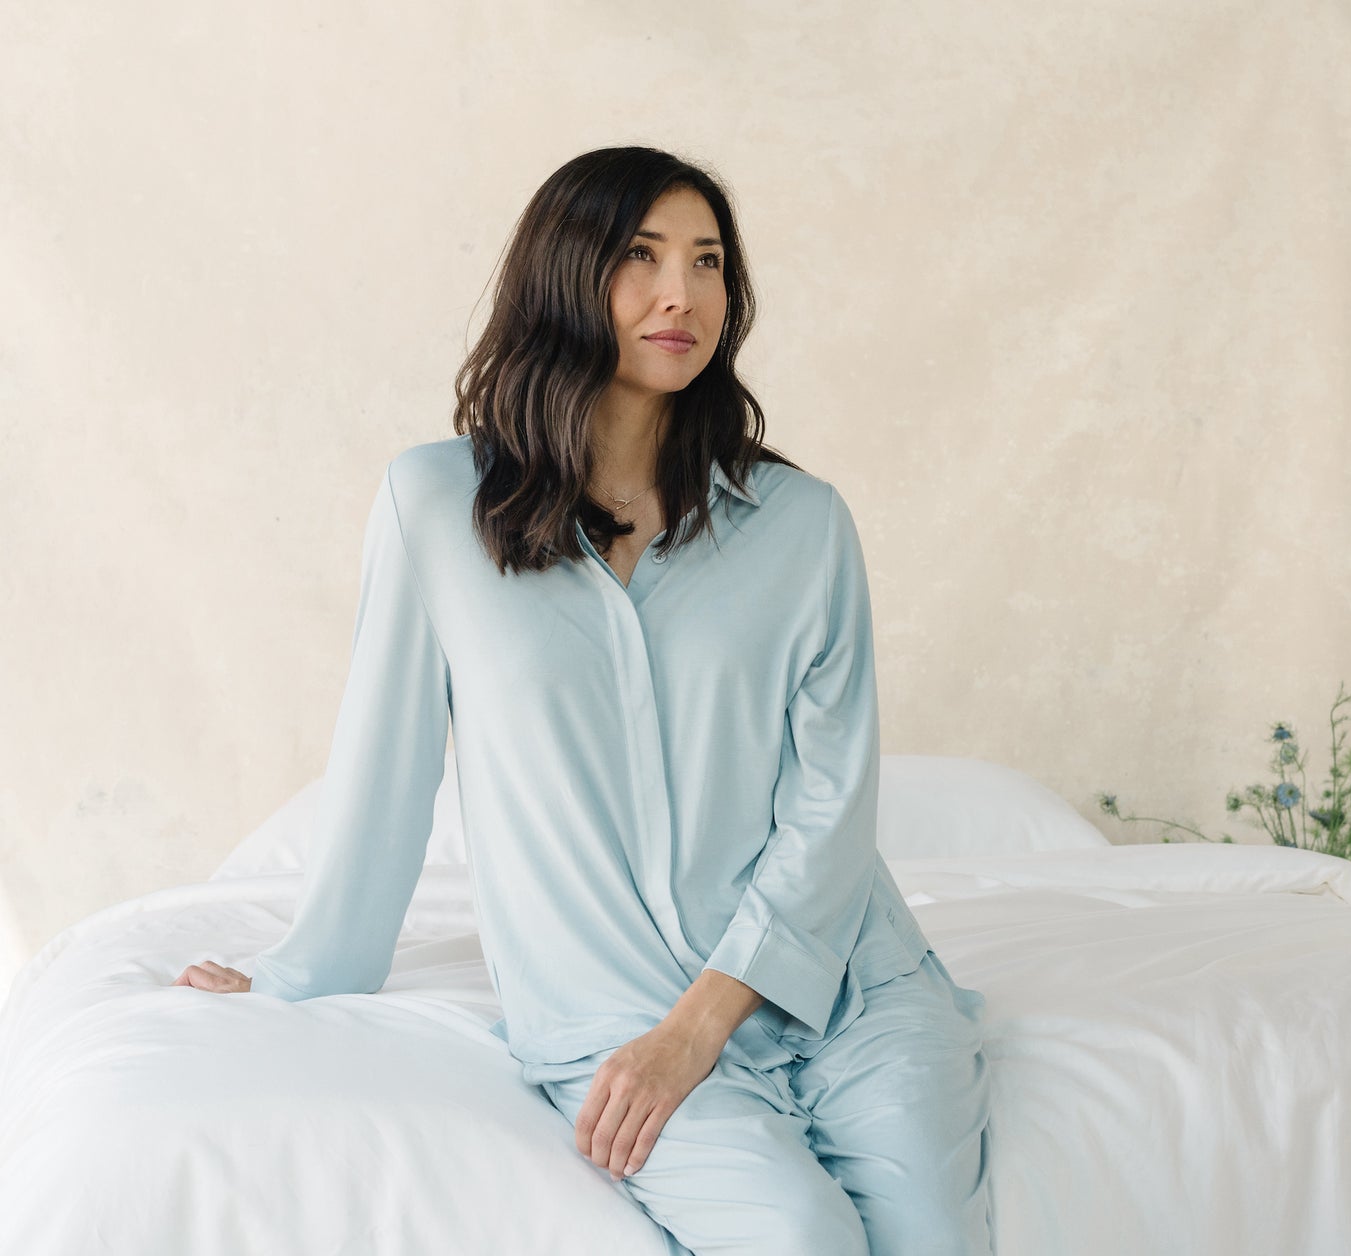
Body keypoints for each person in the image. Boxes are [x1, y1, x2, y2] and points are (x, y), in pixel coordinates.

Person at [174, 145, 994, 1256]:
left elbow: (831, 805)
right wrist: (300, 974)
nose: (682, 293)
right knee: (798, 1238)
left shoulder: (801, 524)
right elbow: (387, 772)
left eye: (708, 262)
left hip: (850, 989)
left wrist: (699, 1028)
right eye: (641, 256)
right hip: (610, 1005)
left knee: (932, 1238)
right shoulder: (433, 504)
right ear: (565, 276)